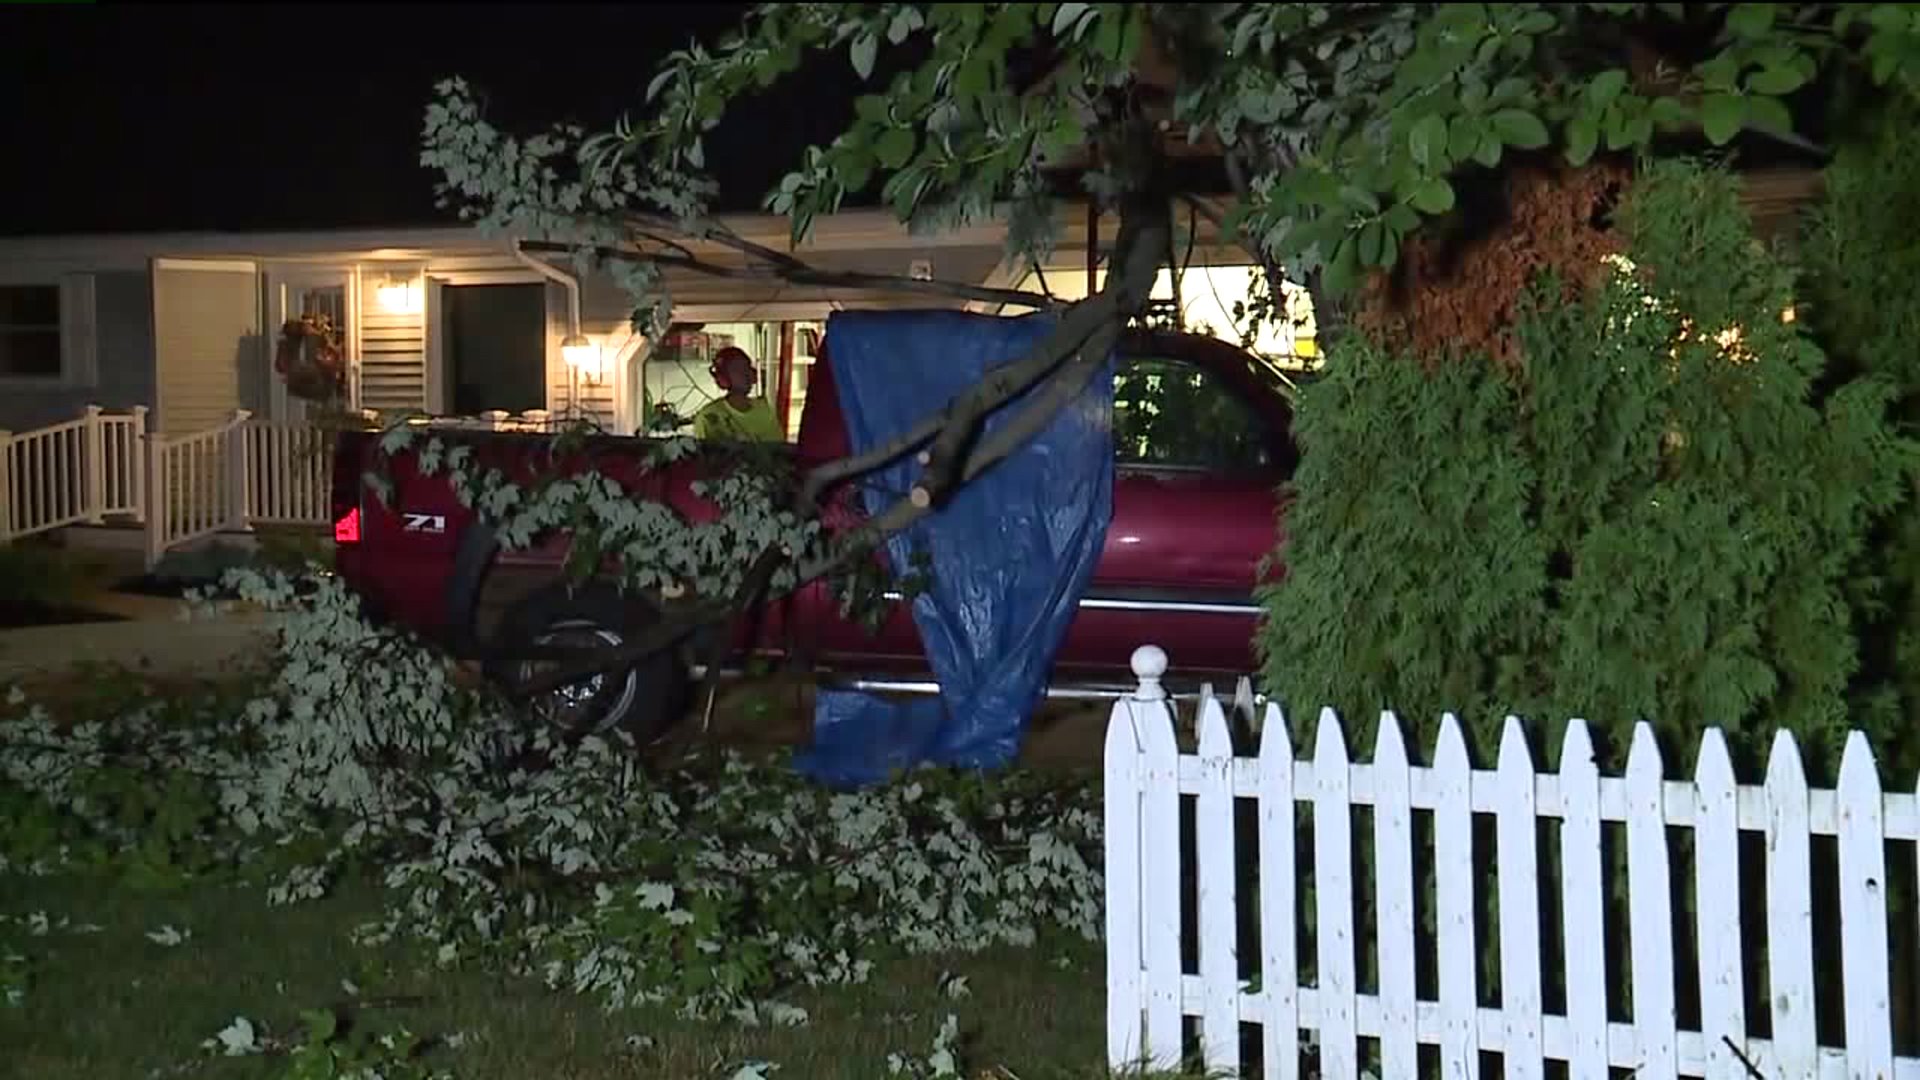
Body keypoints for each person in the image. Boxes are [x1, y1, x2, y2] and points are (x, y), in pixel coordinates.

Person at [693, 346, 784, 442]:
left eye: (747, 367)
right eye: (738, 369)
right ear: (724, 378)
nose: (746, 373)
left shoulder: (764, 410)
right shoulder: (708, 417)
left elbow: (778, 450)